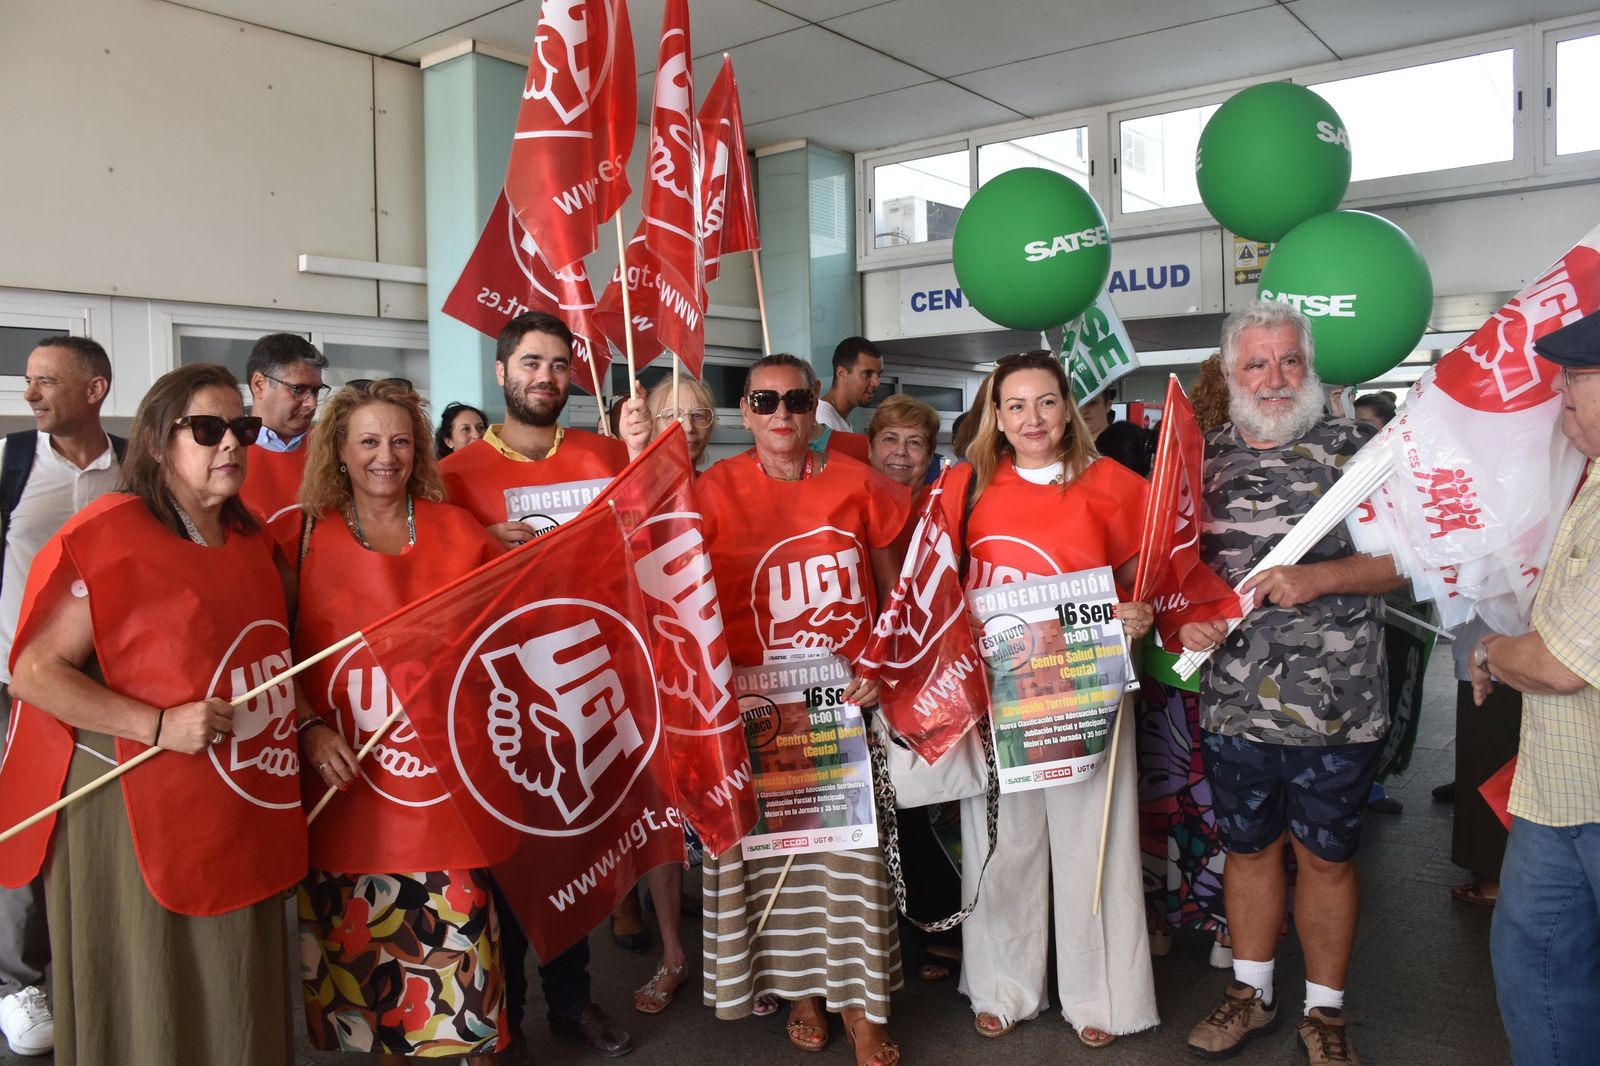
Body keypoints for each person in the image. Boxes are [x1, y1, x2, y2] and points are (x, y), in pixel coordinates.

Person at [0, 363, 303, 1065]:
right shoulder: (110, 533)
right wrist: (159, 727)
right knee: (148, 984)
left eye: (243, 429)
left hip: (232, 794)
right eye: (207, 429)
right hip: (126, 804)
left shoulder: (251, 538)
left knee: (237, 978)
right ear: (159, 441)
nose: (230, 444)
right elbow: (35, 675)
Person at [1179, 301, 1404, 1066]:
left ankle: (1326, 1012)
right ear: (1231, 372)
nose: (1273, 379)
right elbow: (1170, 576)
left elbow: (1407, 564)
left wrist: (1322, 577)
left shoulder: (1360, 452)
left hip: (1339, 708)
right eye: (1255, 363)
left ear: (1308, 365)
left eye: (1288, 361)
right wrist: (1185, 620)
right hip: (1235, 705)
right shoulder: (1195, 462)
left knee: (1328, 859)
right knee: (1247, 852)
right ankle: (1252, 994)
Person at [274, 380, 507, 1063]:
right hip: (343, 788)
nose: (387, 455)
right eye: (369, 441)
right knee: (370, 987)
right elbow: (268, 644)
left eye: (401, 440)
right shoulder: (298, 533)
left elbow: (506, 632)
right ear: (338, 450)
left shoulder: (456, 529)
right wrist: (309, 724)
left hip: (441, 792)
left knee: (457, 974)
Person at [438, 310, 648, 1058]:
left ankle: (571, 1001)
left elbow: (645, 537)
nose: (544, 378)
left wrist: (643, 457)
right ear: (501, 373)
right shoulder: (449, 478)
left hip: (587, 679)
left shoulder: (600, 454)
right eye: (531, 363)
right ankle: (508, 1015)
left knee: (570, 850)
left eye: (558, 366)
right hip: (496, 696)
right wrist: (474, 542)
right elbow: (426, 580)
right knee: (502, 863)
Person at [939, 351, 1158, 1049]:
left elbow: (1146, 581)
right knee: (1003, 846)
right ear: (995, 417)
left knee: (1094, 844)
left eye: (1046, 402)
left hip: (1084, 697)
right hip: (997, 694)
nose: (1032, 419)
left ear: (1069, 408)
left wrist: (1140, 614)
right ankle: (1005, 986)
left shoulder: (1117, 486)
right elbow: (937, 591)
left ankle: (1105, 996)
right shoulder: (967, 488)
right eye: (1015, 405)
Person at [696, 353, 909, 1066]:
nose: (781, 414)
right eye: (764, 401)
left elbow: (893, 596)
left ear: (817, 403)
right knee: (776, 862)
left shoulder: (861, 485)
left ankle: (861, 1005)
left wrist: (882, 669)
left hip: (843, 702)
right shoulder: (711, 490)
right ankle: (803, 995)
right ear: (744, 410)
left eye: (794, 399)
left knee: (851, 860)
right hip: (753, 707)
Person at [1468, 309, 1600, 1063]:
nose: (1560, 390)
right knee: (1538, 971)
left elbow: (1556, 664)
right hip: (1557, 793)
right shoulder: (1591, 481)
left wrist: (1488, 651)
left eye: (1577, 375)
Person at [0, 336, 125, 1057]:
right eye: (30, 382)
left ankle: (88, 965)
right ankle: (17, 982)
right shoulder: (14, 464)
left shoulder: (136, 468)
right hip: (15, 685)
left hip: (103, 690)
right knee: (19, 829)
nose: (32, 393)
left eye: (47, 380)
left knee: (90, 830)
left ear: (95, 388)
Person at [619, 372, 719, 1018]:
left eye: (700, 414)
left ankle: (739, 949)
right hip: (653, 677)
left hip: (721, 678)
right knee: (661, 826)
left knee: (726, 819)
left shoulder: (728, 486)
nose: (687, 424)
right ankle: (674, 954)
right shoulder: (629, 489)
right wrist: (633, 466)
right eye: (671, 413)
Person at [864, 395, 963, 982]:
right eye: (891, 441)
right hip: (856, 673)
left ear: (930, 453)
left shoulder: (938, 505)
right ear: (871, 444)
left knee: (922, 803)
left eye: (915, 443)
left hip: (921, 672)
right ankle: (885, 928)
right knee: (866, 808)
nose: (901, 454)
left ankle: (937, 922)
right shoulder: (850, 495)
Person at [240, 332, 329, 522]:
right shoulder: (223, 449)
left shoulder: (331, 445)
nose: (312, 404)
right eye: (298, 389)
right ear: (259, 384)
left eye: (315, 391)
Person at [817, 337, 883, 432]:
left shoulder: (838, 420)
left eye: (879, 374)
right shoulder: (823, 423)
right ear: (841, 373)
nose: (876, 383)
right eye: (867, 373)